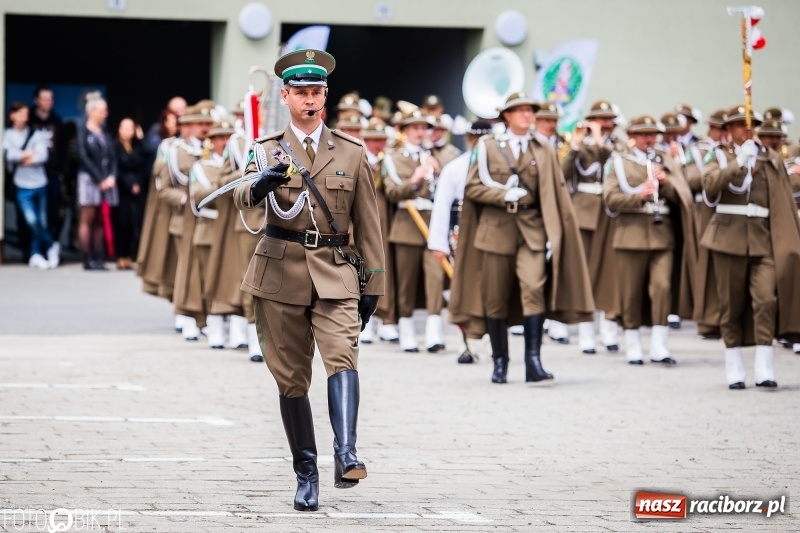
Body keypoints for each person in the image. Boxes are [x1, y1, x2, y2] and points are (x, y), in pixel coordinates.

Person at [234, 49, 384, 512]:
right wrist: (262, 182)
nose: (310, 100)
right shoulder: (265, 149)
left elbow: (370, 224)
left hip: (335, 269)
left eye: (316, 92)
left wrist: (373, 283)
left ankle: (346, 453)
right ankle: (305, 471)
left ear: (326, 95)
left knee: (342, 357)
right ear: (286, 96)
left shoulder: (352, 152)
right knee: (292, 379)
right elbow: (240, 196)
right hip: (279, 272)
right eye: (300, 93)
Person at [451, 92, 594, 384]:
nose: (528, 115)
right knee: (495, 297)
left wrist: (555, 232)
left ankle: (533, 362)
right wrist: (503, 194)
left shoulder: (543, 148)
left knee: (534, 289)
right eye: (521, 110)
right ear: (507, 115)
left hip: (532, 230)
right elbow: (473, 188)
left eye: (531, 110)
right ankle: (500, 362)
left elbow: (554, 193)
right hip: (495, 230)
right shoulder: (488, 146)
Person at [701, 105, 800, 389]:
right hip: (728, 238)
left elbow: (781, 197)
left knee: (766, 300)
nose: (747, 130)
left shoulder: (769, 159)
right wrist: (738, 162)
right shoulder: (718, 155)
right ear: (728, 130)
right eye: (741, 126)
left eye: (751, 125)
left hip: (762, 238)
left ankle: (764, 366)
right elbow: (709, 185)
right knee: (730, 305)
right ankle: (734, 364)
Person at [603, 115, 696, 365]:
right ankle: (632, 343)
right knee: (630, 292)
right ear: (632, 137)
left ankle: (659, 345)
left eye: (652, 134)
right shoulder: (619, 163)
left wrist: (666, 184)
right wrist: (639, 196)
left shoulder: (664, 161)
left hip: (661, 235)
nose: (649, 139)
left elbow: (682, 198)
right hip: (629, 234)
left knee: (662, 287)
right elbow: (610, 198)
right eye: (643, 134)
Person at [560, 100, 624, 353]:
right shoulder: (576, 144)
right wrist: (575, 145)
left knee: (609, 272)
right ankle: (586, 333)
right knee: (584, 273)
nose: (604, 125)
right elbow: (562, 173)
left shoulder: (618, 145)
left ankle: (608, 330)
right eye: (599, 120)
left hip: (609, 213)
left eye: (608, 120)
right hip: (584, 212)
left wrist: (600, 142)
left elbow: (619, 165)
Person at [427, 119, 493, 363]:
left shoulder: (499, 166)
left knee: (493, 285)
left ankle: (491, 340)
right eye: (476, 138)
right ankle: (467, 343)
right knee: (462, 287)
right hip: (460, 232)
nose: (481, 143)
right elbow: (442, 206)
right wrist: (439, 244)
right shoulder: (455, 168)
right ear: (469, 139)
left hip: (492, 229)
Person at [382, 106, 447, 352]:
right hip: (406, 223)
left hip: (431, 221)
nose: (421, 132)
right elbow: (392, 192)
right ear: (405, 130)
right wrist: (415, 179)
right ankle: (406, 330)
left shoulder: (433, 156)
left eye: (424, 128)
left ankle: (434, 333)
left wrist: (438, 174)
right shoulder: (393, 158)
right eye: (416, 128)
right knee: (406, 281)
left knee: (435, 278)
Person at [3, 101, 59, 269]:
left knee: (41, 220)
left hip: (40, 183)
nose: (24, 117)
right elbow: (9, 155)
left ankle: (36, 254)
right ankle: (50, 244)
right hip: (22, 184)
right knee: (32, 220)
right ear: (12, 115)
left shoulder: (35, 133)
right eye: (20, 114)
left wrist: (23, 157)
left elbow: (42, 156)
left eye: (26, 114)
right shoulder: (7, 135)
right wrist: (25, 154)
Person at [76, 92, 118, 270]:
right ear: (91, 111)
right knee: (88, 217)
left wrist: (112, 176)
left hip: (107, 179)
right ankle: (87, 257)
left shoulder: (105, 131)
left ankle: (98, 256)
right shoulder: (83, 129)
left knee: (101, 218)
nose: (105, 114)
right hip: (89, 178)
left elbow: (113, 156)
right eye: (102, 110)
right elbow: (83, 156)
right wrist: (99, 179)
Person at [29, 86, 65, 245]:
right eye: (44, 99)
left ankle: (49, 248)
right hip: (30, 175)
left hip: (51, 176)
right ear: (36, 100)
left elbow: (63, 150)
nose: (48, 102)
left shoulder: (57, 121)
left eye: (50, 99)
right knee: (31, 216)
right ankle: (30, 251)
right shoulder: (28, 121)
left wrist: (61, 173)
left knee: (51, 214)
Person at [113, 118, 146, 270]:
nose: (127, 131)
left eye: (130, 128)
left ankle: (131, 256)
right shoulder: (115, 146)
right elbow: (118, 167)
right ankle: (121, 255)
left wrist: (141, 140)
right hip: (122, 189)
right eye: (124, 128)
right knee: (121, 223)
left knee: (134, 223)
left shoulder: (137, 147)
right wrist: (130, 184)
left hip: (136, 189)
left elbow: (142, 163)